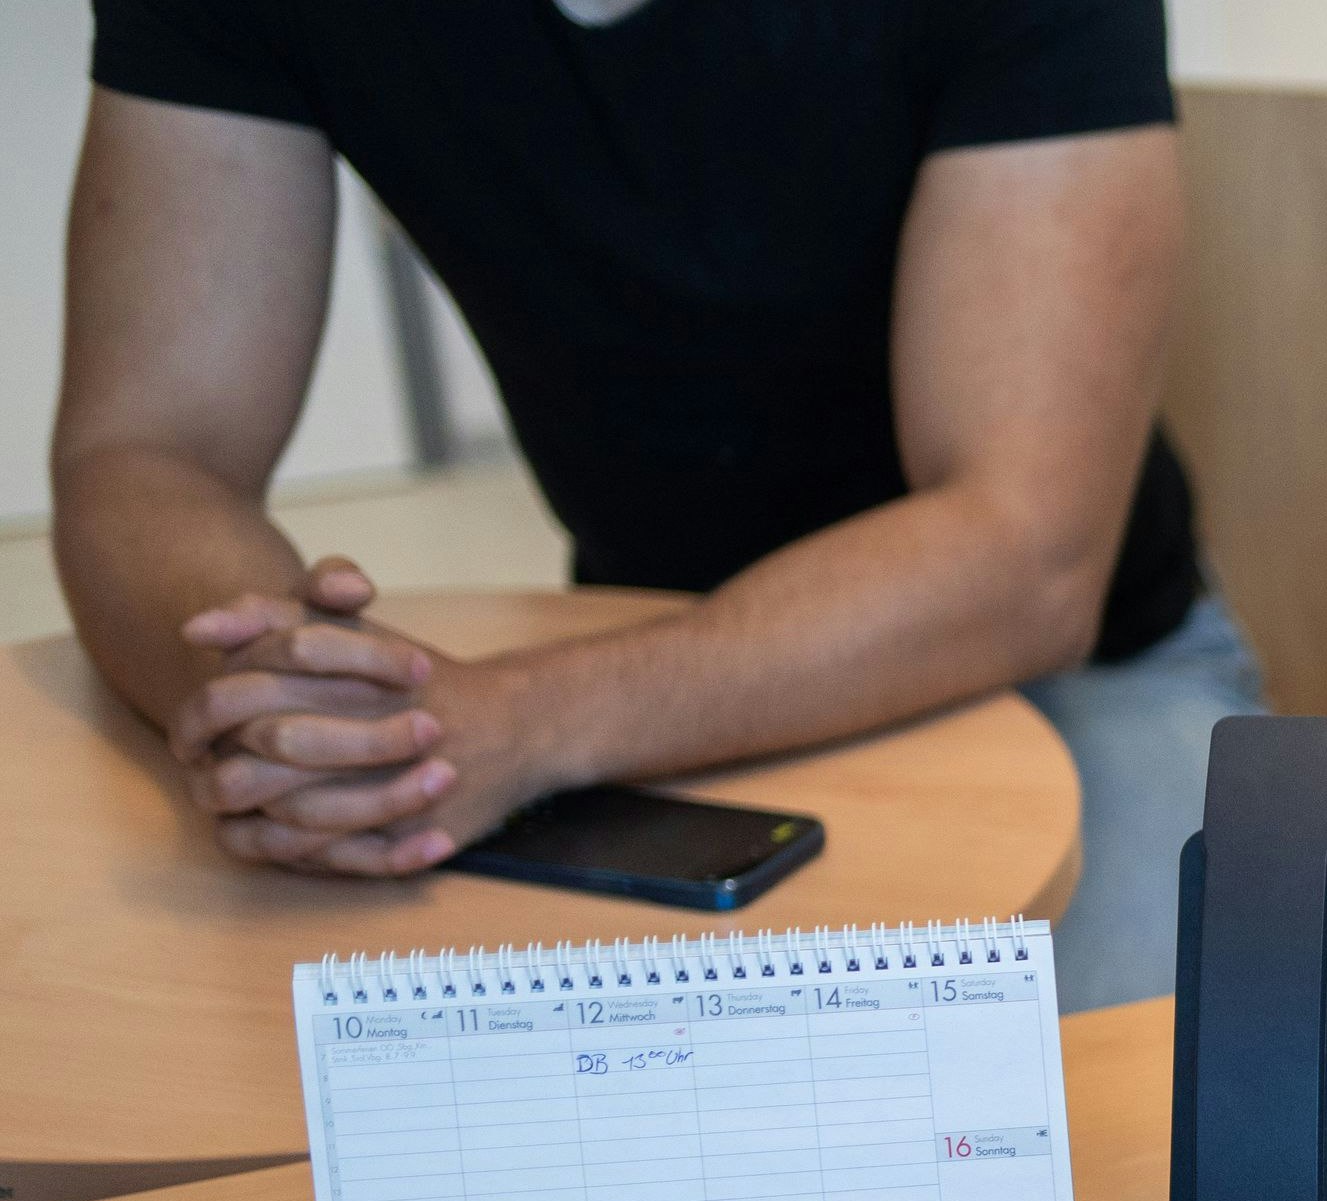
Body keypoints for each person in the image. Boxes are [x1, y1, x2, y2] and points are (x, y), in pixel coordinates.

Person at [49, 0, 1259, 1010]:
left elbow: (1023, 558)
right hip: (629, 699)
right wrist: (294, 707)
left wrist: (517, 724)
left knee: (1147, 1170)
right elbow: (147, 450)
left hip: (1077, 682)